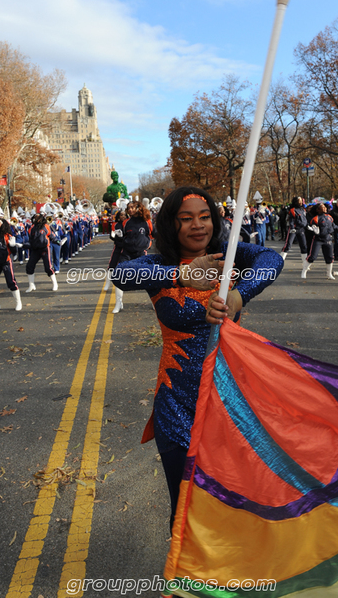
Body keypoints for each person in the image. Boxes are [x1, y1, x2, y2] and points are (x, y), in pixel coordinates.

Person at [111, 186, 283, 528]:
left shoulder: (229, 255)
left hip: (229, 400)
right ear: (171, 224)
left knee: (233, 508)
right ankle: (187, 580)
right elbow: (121, 274)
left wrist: (238, 295)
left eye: (205, 217)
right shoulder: (160, 265)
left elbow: (272, 260)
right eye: (186, 218)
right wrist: (181, 275)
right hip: (176, 404)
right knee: (186, 512)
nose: (198, 225)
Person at [111, 201, 153, 313]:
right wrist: (117, 237)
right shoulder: (125, 223)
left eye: (133, 207)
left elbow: (153, 235)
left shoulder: (147, 222)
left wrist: (147, 245)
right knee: (119, 276)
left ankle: (154, 302)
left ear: (139, 208)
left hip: (141, 253)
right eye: (128, 208)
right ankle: (118, 303)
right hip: (126, 253)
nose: (130, 210)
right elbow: (119, 240)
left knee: (148, 278)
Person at [301, 203, 338, 280]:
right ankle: (304, 271)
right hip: (318, 239)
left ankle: (329, 274)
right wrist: (313, 230)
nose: (325, 208)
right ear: (318, 210)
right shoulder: (315, 218)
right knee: (312, 256)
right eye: (322, 207)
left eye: (325, 207)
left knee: (330, 257)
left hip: (328, 239)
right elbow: (311, 227)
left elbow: (334, 226)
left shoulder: (329, 217)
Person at [25, 214, 60, 292]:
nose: (37, 218)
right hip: (35, 249)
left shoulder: (46, 226)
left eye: (38, 217)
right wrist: (23, 245)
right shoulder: (31, 228)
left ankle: (55, 284)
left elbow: (51, 235)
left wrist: (57, 241)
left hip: (45, 248)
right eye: (35, 217)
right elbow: (30, 240)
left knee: (48, 267)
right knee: (29, 266)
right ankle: (31, 285)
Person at [104, 209, 127, 291]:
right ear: (118, 216)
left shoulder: (129, 223)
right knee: (112, 264)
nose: (123, 216)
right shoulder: (115, 224)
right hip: (118, 246)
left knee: (126, 266)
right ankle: (107, 283)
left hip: (127, 247)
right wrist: (116, 237)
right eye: (121, 215)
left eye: (124, 215)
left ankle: (125, 283)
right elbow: (112, 236)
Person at [281, 196, 307, 262]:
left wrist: (307, 226)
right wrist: (292, 227)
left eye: (301, 200)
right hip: (294, 229)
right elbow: (291, 220)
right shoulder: (292, 210)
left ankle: (305, 263)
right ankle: (280, 260)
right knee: (288, 245)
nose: (301, 202)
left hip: (301, 229)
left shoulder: (303, 210)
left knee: (304, 246)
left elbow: (305, 219)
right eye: (299, 201)